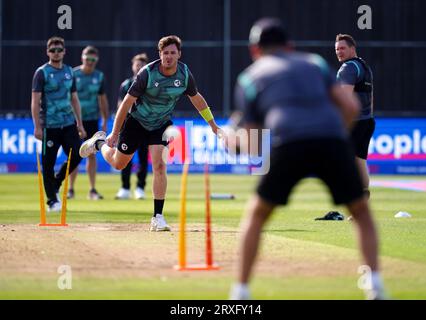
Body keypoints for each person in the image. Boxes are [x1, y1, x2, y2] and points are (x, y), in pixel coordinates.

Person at [228, 18, 386, 300]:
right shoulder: (315, 63)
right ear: (290, 46)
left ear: (254, 50)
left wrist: (233, 142)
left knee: (257, 214)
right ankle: (375, 287)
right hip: (332, 141)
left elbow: (250, 143)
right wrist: (336, 135)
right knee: (361, 211)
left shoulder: (249, 77)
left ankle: (241, 293)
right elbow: (350, 106)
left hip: (289, 143)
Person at [79, 35, 222, 231]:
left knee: (159, 166)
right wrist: (113, 133)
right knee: (118, 164)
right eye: (165, 53)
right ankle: (98, 143)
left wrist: (213, 124)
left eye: (173, 53)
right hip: (136, 122)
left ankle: (157, 217)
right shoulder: (147, 73)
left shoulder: (185, 74)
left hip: (161, 125)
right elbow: (126, 105)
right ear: (160, 54)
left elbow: (197, 99)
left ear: (179, 54)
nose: (169, 57)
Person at [31, 36, 86, 212]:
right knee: (48, 163)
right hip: (50, 125)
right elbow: (35, 101)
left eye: (59, 50)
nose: (56, 53)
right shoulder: (42, 72)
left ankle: (57, 181)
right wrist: (37, 126)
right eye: (52, 50)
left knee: (77, 155)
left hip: (69, 123)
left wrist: (80, 123)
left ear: (64, 51)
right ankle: (52, 200)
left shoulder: (70, 71)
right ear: (48, 52)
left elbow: (75, 99)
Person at [335, 34, 375, 198]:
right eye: (337, 49)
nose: (339, 52)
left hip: (354, 122)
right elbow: (370, 97)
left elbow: (345, 98)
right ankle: (362, 197)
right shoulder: (365, 66)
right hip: (367, 121)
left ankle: (353, 201)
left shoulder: (348, 68)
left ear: (353, 48)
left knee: (344, 162)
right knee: (359, 161)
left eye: (342, 48)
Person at [68, 46, 109, 200]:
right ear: (82, 58)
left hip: (92, 119)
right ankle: (70, 189)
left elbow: (103, 100)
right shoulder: (73, 74)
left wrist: (105, 120)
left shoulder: (99, 76)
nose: (90, 62)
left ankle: (92, 189)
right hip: (73, 120)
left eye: (93, 60)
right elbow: (67, 97)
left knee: (91, 154)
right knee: (74, 154)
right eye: (87, 59)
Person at [115, 53, 150, 200]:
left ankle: (140, 188)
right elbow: (120, 106)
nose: (139, 67)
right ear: (133, 66)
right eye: (137, 64)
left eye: (142, 65)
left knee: (143, 159)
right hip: (128, 126)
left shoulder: (150, 83)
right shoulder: (126, 85)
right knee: (124, 158)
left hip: (146, 126)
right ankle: (125, 188)